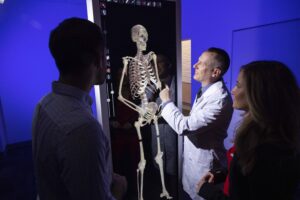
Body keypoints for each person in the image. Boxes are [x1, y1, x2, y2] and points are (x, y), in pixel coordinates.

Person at [32, 17, 127, 200]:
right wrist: (119, 189)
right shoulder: (83, 130)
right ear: (98, 60)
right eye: (104, 55)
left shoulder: (44, 104)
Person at [197, 61, 300, 200]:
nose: (233, 90)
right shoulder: (262, 135)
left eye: (238, 85)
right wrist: (223, 174)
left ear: (259, 93)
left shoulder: (265, 150)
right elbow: (251, 176)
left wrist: (208, 192)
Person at [159, 47, 234, 200]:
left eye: (201, 63)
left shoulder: (219, 99)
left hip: (206, 172)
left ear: (215, 72)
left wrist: (166, 101)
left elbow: (183, 126)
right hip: (194, 167)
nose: (195, 65)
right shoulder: (205, 91)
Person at [150, 54, 178, 199]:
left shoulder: (178, 84)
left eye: (160, 62)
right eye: (154, 64)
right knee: (159, 170)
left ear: (169, 65)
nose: (156, 67)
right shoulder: (151, 87)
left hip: (174, 137)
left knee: (174, 172)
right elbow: (145, 113)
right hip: (158, 136)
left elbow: (178, 112)